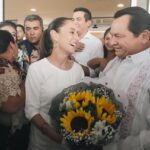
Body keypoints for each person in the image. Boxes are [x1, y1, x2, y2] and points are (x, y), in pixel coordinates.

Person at [85, 6, 150, 150]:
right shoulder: (116, 60)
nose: (111, 42)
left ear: (144, 36)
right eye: (111, 35)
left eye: (118, 36)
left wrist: (117, 146)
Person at [25, 17, 84, 150]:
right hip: (42, 145)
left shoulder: (78, 70)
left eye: (77, 34)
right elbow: (31, 111)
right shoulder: (37, 69)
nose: (77, 38)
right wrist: (58, 138)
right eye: (72, 32)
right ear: (55, 35)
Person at [0, 30, 29, 150]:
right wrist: (27, 83)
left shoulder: (9, 64)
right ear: (12, 45)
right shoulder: (3, 68)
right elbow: (11, 106)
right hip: (7, 133)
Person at [72, 7, 104, 76]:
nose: (74, 22)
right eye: (73, 19)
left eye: (78, 19)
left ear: (88, 23)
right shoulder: (66, 40)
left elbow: (95, 72)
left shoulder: (96, 43)